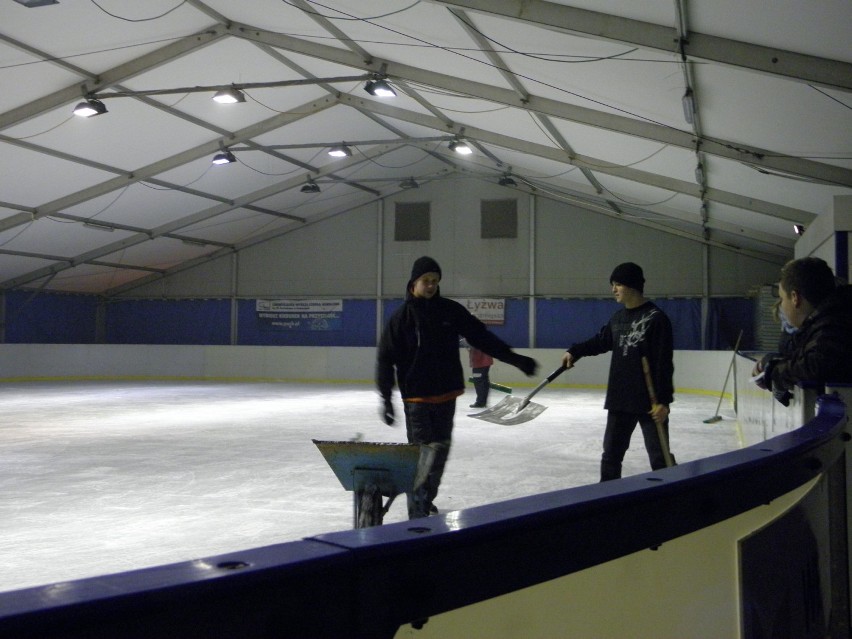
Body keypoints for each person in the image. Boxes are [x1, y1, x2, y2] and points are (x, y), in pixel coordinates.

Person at [376, 256, 538, 518]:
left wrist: (515, 359)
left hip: (446, 396)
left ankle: (425, 500)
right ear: (413, 283)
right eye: (426, 281)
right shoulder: (401, 319)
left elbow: (481, 337)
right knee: (421, 458)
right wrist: (386, 399)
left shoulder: (450, 311)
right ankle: (416, 515)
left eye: (435, 281)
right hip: (416, 400)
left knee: (439, 456)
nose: (431, 285)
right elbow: (385, 360)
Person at [561, 262, 675, 482]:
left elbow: (664, 363)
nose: (613, 289)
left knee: (660, 458)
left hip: (649, 402)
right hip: (620, 399)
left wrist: (664, 401)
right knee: (611, 456)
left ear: (632, 286)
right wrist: (575, 351)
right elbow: (601, 342)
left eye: (618, 284)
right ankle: (607, 499)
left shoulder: (656, 318)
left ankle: (669, 499)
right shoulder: (618, 318)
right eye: (613, 284)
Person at [752, 257, 852, 394]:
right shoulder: (824, 320)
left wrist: (775, 372)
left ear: (795, 298)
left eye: (782, 299)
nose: (781, 305)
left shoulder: (835, 322)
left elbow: (815, 365)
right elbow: (801, 353)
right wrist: (773, 363)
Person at [465, 342, 493, 408]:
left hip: (480, 363)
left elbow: (473, 346)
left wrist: (466, 344)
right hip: (485, 361)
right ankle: (482, 402)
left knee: (479, 382)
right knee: (483, 381)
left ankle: (480, 402)